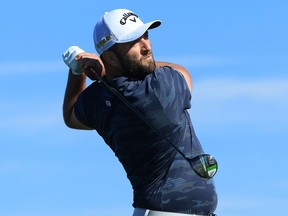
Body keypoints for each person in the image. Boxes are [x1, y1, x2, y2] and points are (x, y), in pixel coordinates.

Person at [62, 8, 217, 216]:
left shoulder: (97, 98)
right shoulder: (159, 87)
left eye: (145, 36)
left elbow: (71, 116)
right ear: (111, 57)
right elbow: (182, 71)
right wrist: (105, 73)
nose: (146, 46)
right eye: (134, 42)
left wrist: (76, 70)